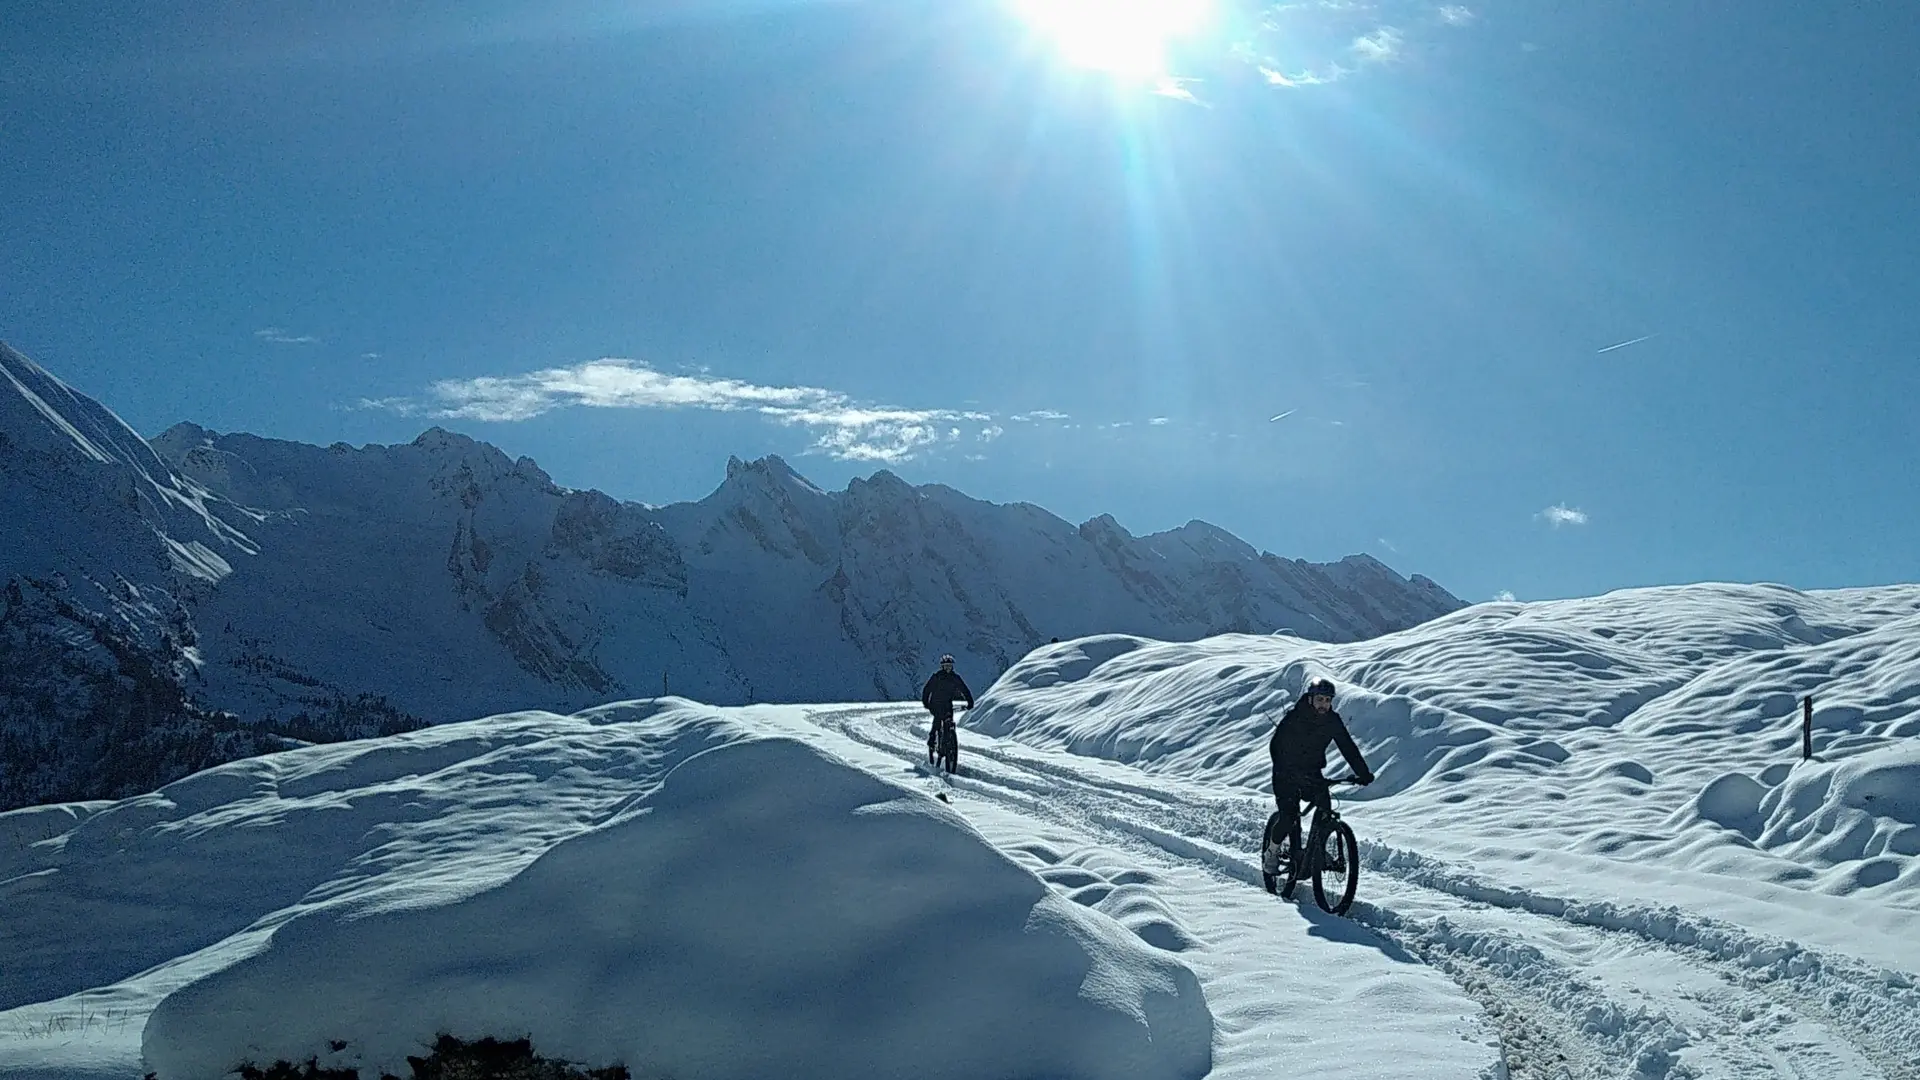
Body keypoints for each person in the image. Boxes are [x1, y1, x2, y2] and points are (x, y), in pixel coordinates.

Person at [1263, 677, 1374, 888]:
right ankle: (1272, 852)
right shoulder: (1295, 718)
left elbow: (1347, 747)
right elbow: (1276, 747)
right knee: (1288, 817)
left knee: (1325, 807)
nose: (1324, 704)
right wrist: (1289, 770)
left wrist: (1363, 773)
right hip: (1285, 774)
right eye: (1320, 699)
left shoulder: (1332, 720)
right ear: (1311, 699)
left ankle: (1319, 849)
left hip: (1311, 774)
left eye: (1327, 700)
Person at [921, 654, 974, 758]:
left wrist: (970, 701)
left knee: (949, 721)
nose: (948, 668)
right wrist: (926, 703)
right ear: (942, 666)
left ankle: (948, 741)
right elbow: (927, 689)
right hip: (935, 703)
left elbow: (964, 689)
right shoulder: (937, 677)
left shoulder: (955, 678)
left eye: (949, 666)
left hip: (947, 704)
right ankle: (932, 740)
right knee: (937, 720)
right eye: (946, 666)